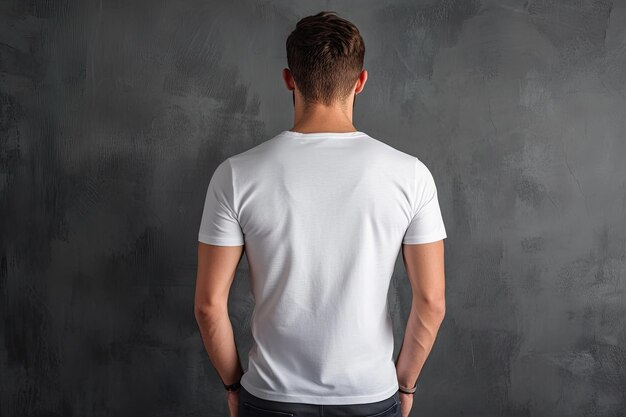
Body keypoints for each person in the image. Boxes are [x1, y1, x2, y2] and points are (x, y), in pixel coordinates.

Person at [194, 11, 447, 417]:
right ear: (360, 81)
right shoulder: (411, 175)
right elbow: (432, 302)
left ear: (289, 79)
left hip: (272, 397)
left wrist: (233, 384)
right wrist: (405, 385)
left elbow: (208, 306)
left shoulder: (236, 175)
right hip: (369, 396)